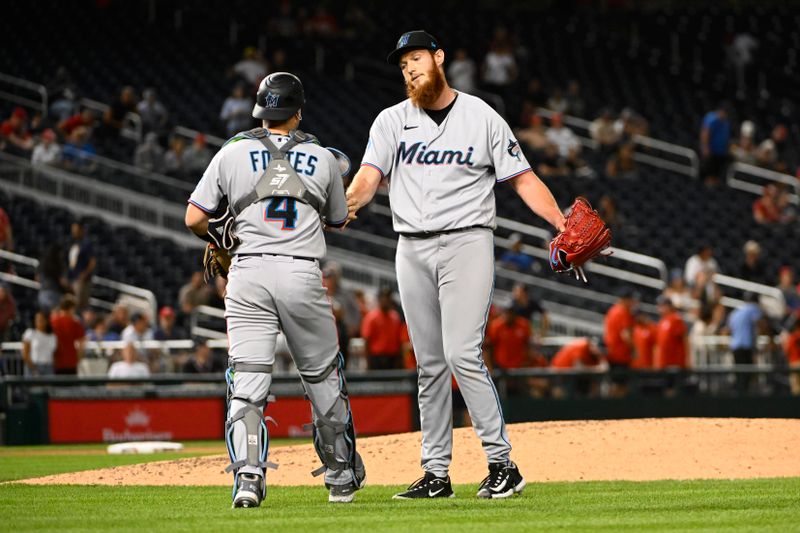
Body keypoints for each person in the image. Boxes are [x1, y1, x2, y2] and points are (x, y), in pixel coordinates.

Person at [346, 30, 566, 500]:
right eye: (403, 63)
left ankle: (503, 463)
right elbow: (369, 176)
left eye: (417, 58)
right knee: (428, 364)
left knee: (462, 353)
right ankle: (436, 473)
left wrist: (560, 221)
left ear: (439, 58)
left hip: (467, 243)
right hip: (411, 247)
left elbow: (522, 179)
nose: (409, 68)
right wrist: (349, 203)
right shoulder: (391, 121)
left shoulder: (481, 116)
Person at [185, 72, 364, 507]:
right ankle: (340, 475)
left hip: (246, 274)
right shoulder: (322, 156)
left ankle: (247, 480)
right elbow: (339, 219)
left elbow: (193, 218)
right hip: (301, 271)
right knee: (322, 378)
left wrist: (224, 240)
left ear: (260, 111)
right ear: (299, 111)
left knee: (247, 382)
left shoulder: (231, 153)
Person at [726, 292, 764, 393]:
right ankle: (743, 400)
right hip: (746, 347)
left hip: (735, 347)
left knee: (739, 375)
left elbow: (728, 330)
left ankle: (739, 397)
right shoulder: (752, 308)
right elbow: (760, 324)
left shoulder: (735, 312)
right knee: (747, 375)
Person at [360, 287, 404, 370]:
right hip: (376, 358)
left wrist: (400, 359)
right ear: (379, 299)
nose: (385, 300)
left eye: (388, 297)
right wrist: (367, 362)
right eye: (383, 297)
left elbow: (399, 340)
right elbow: (366, 341)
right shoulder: (371, 317)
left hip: (392, 358)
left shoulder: (395, 317)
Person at [603, 289, 637, 397]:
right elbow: (625, 335)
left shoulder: (612, 310)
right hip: (620, 354)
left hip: (611, 353)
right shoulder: (623, 311)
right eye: (631, 300)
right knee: (621, 386)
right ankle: (617, 411)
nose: (633, 303)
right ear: (626, 300)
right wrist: (634, 349)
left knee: (615, 384)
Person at [654, 296, 689, 394]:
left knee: (675, 389)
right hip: (664, 363)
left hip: (675, 362)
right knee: (667, 389)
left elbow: (684, 339)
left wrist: (687, 359)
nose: (659, 308)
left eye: (662, 306)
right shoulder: (661, 321)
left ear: (669, 306)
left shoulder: (676, 319)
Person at [50, 295, 86, 375]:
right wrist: (78, 358)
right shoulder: (75, 323)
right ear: (71, 308)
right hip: (71, 361)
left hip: (55, 361)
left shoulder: (52, 322)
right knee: (71, 387)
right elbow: (82, 344)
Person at [66, 219, 96, 311]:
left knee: (79, 306)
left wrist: (84, 274)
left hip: (81, 280)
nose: (74, 232)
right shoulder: (73, 242)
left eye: (76, 230)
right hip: (72, 278)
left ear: (81, 230)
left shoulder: (87, 244)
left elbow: (92, 262)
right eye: (73, 230)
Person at [699, 103, 731, 185]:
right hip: (711, 151)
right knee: (709, 170)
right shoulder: (712, 118)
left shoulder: (725, 121)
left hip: (720, 153)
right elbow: (705, 133)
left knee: (717, 172)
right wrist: (705, 147)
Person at [22, 311, 57, 376]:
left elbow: (54, 354)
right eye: (37, 319)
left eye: (41, 319)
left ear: (46, 320)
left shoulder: (52, 336)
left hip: (49, 367)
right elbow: (25, 354)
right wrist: (33, 369)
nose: (39, 321)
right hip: (33, 367)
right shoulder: (30, 333)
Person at [784, 317, 800, 395]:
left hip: (794, 363)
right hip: (795, 362)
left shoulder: (792, 337)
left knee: (796, 389)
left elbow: (787, 351)